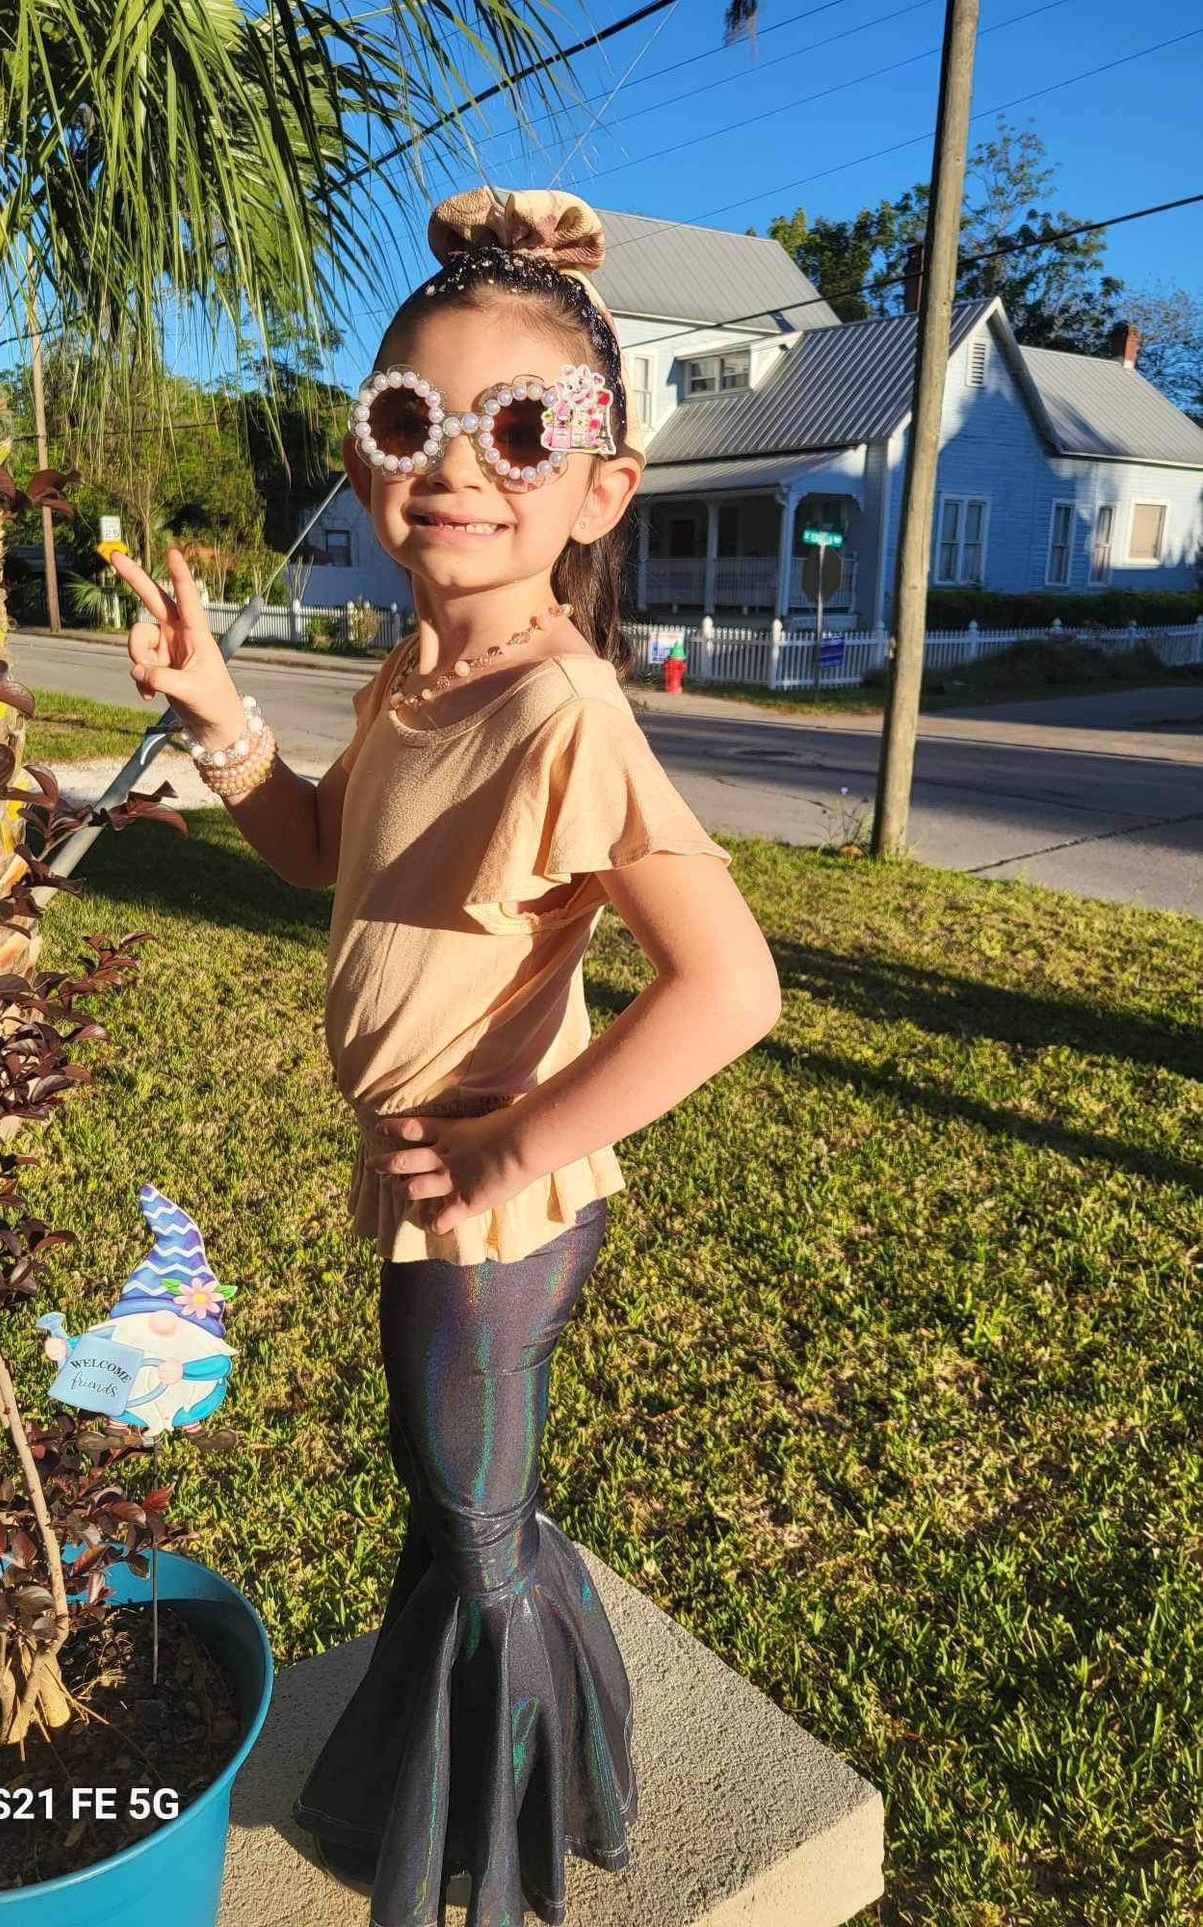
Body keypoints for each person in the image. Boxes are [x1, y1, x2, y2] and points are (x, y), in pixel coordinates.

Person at [108, 186, 782, 1927]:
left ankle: (499, 1841)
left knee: (475, 1530)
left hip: (495, 1208)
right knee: (458, 1515)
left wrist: (504, 1148)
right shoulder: (419, 675)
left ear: (599, 486)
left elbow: (728, 988)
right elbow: (319, 854)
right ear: (362, 458)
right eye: (411, 420)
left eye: (523, 428)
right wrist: (226, 725)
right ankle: (482, 1782)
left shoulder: (560, 710)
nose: (457, 466)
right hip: (432, 1175)